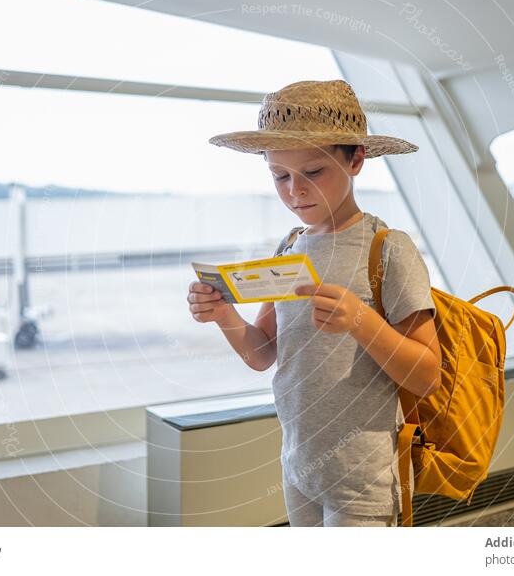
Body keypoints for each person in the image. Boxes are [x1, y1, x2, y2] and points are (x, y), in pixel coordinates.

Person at [186, 80, 441, 527]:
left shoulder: (387, 249)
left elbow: (426, 375)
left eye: (313, 173)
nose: (295, 191)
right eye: (280, 176)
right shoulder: (289, 248)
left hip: (364, 476)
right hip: (299, 466)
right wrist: (224, 315)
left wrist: (362, 321)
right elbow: (263, 354)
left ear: (356, 160)